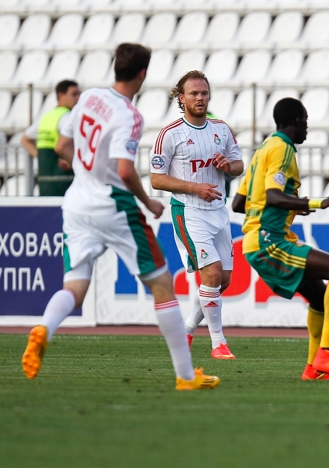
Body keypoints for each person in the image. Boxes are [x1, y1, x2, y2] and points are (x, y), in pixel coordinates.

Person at [21, 43, 219, 390]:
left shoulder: (89, 98)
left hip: (76, 202)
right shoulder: (129, 115)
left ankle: (44, 329)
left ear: (116, 67)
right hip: (112, 203)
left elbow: (61, 147)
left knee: (75, 286)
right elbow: (126, 171)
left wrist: (85, 164)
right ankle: (186, 377)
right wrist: (147, 202)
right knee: (161, 285)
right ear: (143, 73)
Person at [230, 98, 329, 380]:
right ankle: (327, 354)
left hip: (259, 239)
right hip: (269, 241)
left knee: (320, 296)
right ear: (297, 120)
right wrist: (316, 202)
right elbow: (273, 196)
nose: (307, 129)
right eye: (306, 122)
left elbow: (240, 203)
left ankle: (314, 369)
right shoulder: (282, 149)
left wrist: (292, 206)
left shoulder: (263, 149)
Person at [150, 71, 244, 359]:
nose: (200, 98)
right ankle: (219, 343)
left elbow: (240, 165)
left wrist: (228, 166)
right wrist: (194, 188)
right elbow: (156, 179)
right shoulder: (170, 134)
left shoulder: (221, 129)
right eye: (193, 94)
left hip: (219, 211)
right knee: (212, 273)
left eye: (204, 93)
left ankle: (187, 330)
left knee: (221, 280)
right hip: (189, 211)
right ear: (182, 98)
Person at [21, 80, 81, 196]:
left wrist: (42, 157)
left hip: (45, 181)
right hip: (65, 182)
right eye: (74, 94)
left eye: (79, 94)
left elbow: (25, 139)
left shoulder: (46, 117)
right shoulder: (67, 117)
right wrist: (70, 159)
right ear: (60, 96)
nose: (78, 98)